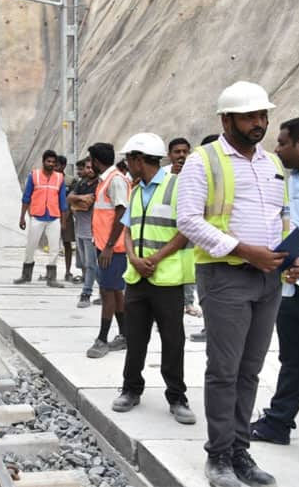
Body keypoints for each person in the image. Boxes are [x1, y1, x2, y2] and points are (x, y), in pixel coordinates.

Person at [177, 81, 299, 487]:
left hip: (268, 280)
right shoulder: (204, 160)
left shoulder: (272, 164)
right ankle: (218, 457)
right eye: (250, 116)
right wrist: (246, 251)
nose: (259, 123)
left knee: (250, 370)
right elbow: (189, 221)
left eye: (263, 116)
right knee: (224, 371)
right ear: (226, 118)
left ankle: (239, 451)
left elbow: (282, 215)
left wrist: (292, 253)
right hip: (226, 277)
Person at [111, 133, 197, 425]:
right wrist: (134, 258)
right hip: (137, 278)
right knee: (135, 338)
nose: (127, 164)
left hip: (168, 280)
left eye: (128, 159)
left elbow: (185, 230)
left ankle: (177, 396)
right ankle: (130, 389)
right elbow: (129, 229)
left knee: (173, 340)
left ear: (138, 159)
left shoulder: (177, 186)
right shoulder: (136, 190)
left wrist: (156, 259)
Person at [250, 117, 299, 446]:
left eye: (283, 143)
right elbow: (289, 227)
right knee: (293, 361)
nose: (277, 149)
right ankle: (277, 424)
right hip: (292, 288)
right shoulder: (286, 178)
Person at [87, 142, 131, 358]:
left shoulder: (115, 181)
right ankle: (125, 335)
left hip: (113, 248)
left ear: (96, 161)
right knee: (114, 290)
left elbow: (122, 214)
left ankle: (102, 339)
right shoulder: (105, 181)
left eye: (90, 161)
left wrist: (110, 247)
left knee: (107, 291)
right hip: (105, 245)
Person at [13, 150, 69, 288]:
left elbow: (63, 202)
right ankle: (26, 275)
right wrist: (22, 217)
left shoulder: (59, 178)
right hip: (37, 217)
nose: (50, 164)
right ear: (43, 161)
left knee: (54, 248)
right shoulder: (34, 176)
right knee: (31, 246)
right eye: (48, 161)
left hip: (54, 217)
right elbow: (26, 197)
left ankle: (51, 278)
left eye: (53, 162)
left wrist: (63, 221)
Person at [189, 133, 220, 344]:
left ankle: (213, 331)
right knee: (207, 297)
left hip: (220, 253)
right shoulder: (202, 176)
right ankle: (209, 328)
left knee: (213, 297)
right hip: (207, 252)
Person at [168, 137, 201, 319]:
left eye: (184, 152)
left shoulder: (196, 172)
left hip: (191, 229)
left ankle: (188, 302)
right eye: (177, 152)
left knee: (190, 267)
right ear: (169, 155)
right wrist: (173, 176)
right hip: (169, 230)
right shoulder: (164, 175)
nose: (181, 155)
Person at [69, 158, 99, 307]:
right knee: (88, 264)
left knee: (91, 264)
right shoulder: (81, 183)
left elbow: (87, 205)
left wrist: (77, 204)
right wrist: (79, 199)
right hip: (80, 228)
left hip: (91, 230)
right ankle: (105, 292)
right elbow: (70, 199)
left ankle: (86, 293)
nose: (89, 170)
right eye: (87, 167)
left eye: (92, 167)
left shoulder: (98, 184)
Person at [57, 156, 77, 282]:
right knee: (53, 245)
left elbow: (71, 200)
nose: (55, 167)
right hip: (52, 216)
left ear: (63, 165)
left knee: (67, 243)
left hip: (66, 216)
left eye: (57, 165)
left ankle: (68, 271)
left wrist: (66, 216)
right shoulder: (49, 180)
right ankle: (50, 271)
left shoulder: (70, 181)